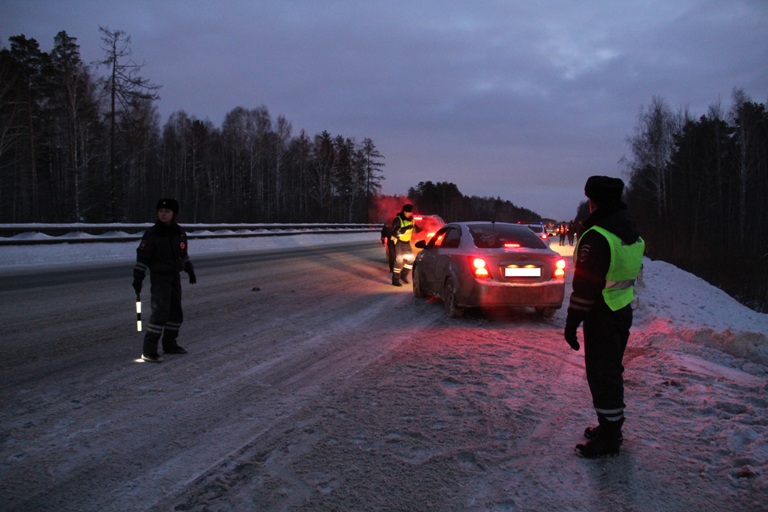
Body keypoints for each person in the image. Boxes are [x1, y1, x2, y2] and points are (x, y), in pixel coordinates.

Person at [564, 176, 645, 458]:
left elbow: (585, 287)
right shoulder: (629, 231)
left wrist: (572, 322)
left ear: (593, 202)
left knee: (602, 374)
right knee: (611, 370)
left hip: (601, 314)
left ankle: (611, 436)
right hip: (622, 309)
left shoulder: (598, 236)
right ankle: (610, 425)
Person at [132, 198, 197, 363]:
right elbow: (143, 257)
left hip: (174, 276)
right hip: (160, 277)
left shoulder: (179, 233)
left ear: (173, 213)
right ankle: (149, 350)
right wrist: (138, 277)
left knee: (175, 312)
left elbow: (183, 253)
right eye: (161, 211)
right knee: (160, 312)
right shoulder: (152, 234)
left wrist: (189, 268)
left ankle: (170, 343)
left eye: (167, 211)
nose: (163, 214)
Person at [390, 203, 420, 287]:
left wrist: (418, 229)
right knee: (399, 260)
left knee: (411, 259)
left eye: (411, 212)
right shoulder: (398, 219)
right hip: (399, 242)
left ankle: (403, 275)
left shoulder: (412, 220)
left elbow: (415, 229)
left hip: (407, 242)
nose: (410, 214)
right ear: (404, 212)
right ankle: (395, 279)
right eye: (409, 212)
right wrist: (404, 229)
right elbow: (394, 232)